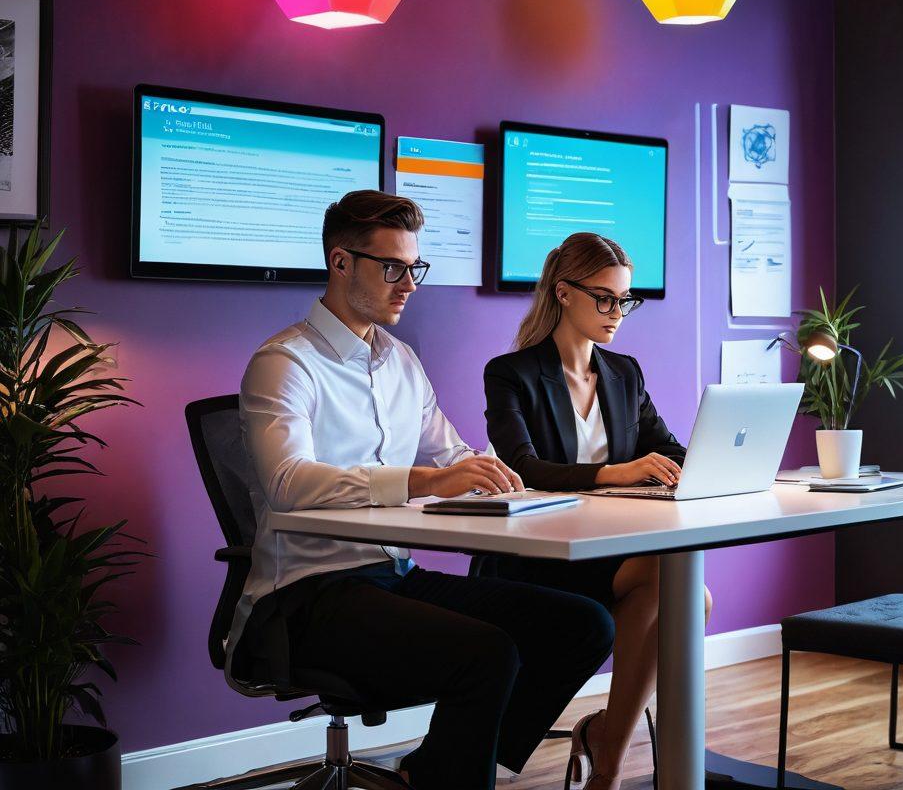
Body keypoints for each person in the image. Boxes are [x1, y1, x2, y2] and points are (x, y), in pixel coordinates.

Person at [229, 192, 615, 790]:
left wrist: (500, 481)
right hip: (305, 596)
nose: (409, 283)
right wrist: (425, 481)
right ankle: (446, 775)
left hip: (392, 576)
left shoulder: (401, 361)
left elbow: (452, 453)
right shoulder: (285, 362)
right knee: (487, 654)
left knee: (585, 623)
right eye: (392, 267)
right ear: (340, 262)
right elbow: (287, 482)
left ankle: (438, 771)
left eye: (415, 268)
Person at [483, 232, 713, 790]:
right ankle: (606, 748)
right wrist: (616, 473)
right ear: (563, 293)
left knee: (685, 592)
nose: (618, 313)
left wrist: (699, 466)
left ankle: (609, 749)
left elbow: (671, 447)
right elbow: (524, 468)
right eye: (604, 298)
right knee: (682, 587)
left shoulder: (624, 373)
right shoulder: (511, 374)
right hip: (540, 553)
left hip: (607, 548)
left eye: (625, 300)